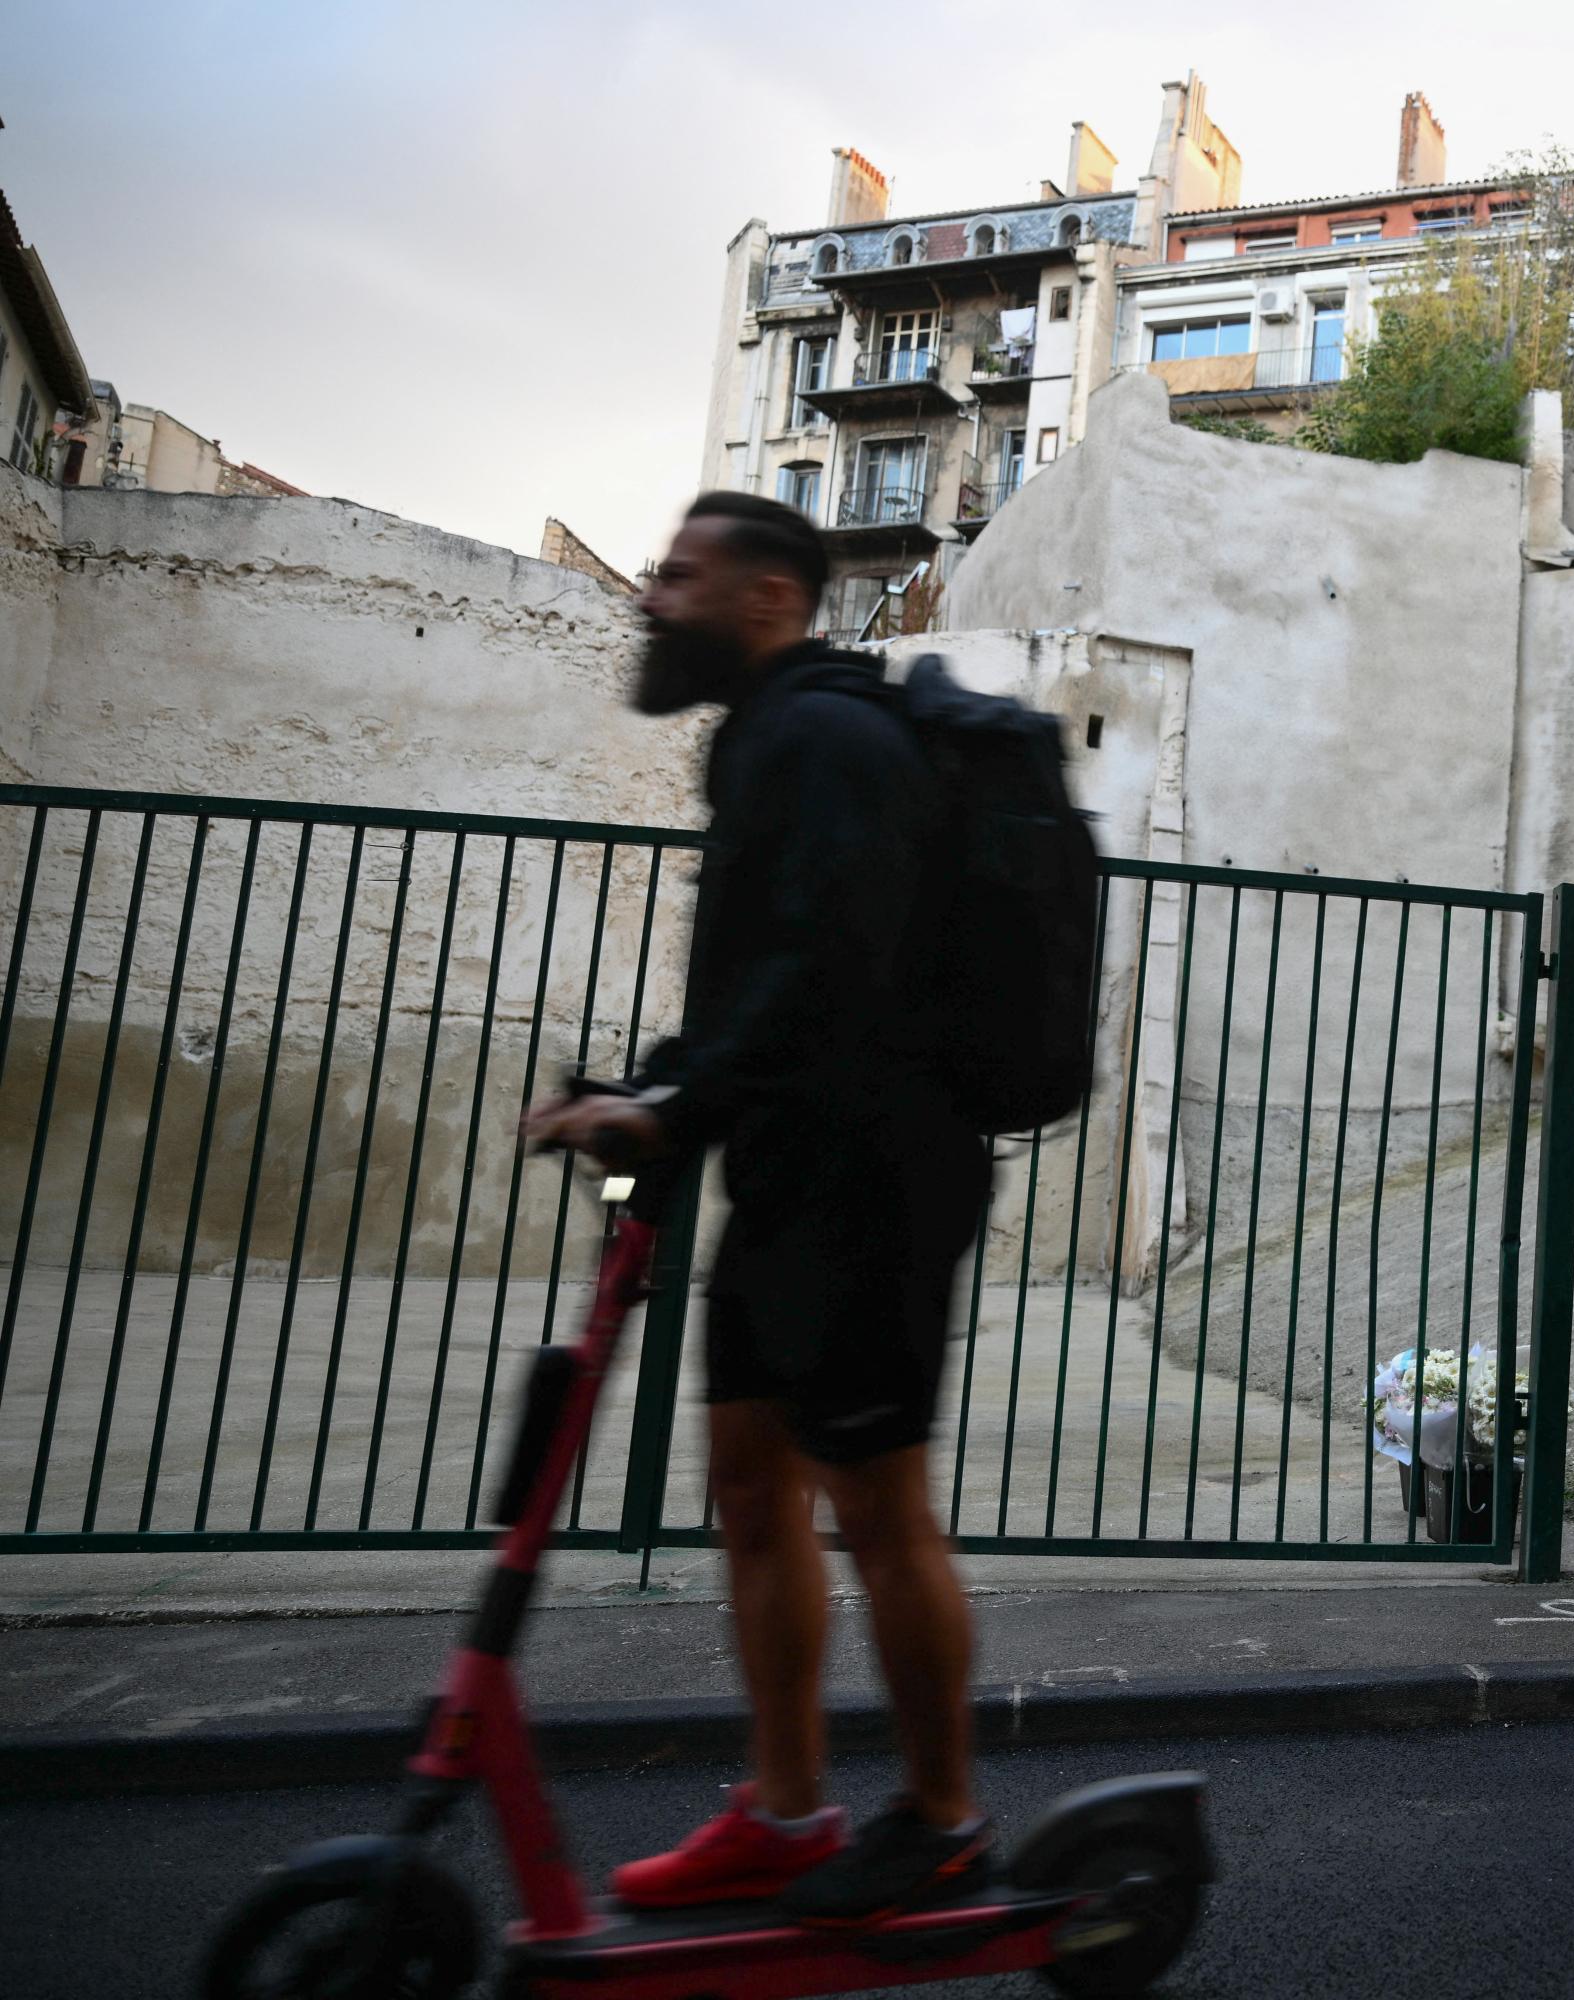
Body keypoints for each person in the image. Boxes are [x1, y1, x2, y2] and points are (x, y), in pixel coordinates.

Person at [521, 494, 996, 1925]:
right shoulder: (768, 740)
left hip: (878, 1176)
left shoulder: (829, 738)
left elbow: (829, 970)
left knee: (876, 1509)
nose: (651, 599)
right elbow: (752, 985)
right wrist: (656, 1090)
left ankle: (944, 1817)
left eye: (679, 578)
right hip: (796, 1170)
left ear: (773, 599)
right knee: (748, 1489)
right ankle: (785, 1815)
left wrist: (676, 1108)